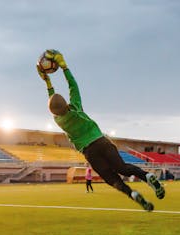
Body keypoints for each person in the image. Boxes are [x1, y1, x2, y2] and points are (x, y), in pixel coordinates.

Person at [37, 50, 165, 211]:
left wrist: (47, 83)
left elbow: (53, 102)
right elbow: (73, 86)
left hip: (90, 152)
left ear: (52, 112)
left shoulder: (59, 121)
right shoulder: (76, 108)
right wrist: (64, 67)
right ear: (66, 104)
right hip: (102, 142)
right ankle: (147, 176)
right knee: (123, 168)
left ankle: (132, 194)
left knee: (111, 178)